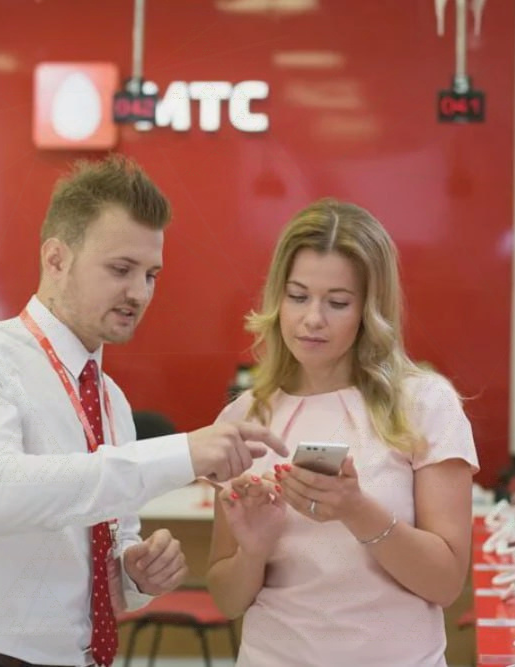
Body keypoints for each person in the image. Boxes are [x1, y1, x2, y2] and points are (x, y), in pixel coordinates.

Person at [0, 155, 287, 667]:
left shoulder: (109, 399)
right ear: (56, 259)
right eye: (121, 269)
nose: (139, 293)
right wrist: (181, 454)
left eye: (151, 274)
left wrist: (134, 573)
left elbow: (101, 542)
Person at [206, 199, 479, 667]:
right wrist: (253, 551)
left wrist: (356, 510)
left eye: (337, 303)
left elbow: (446, 583)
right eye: (297, 296)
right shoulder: (243, 418)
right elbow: (227, 600)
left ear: (370, 310)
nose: (313, 318)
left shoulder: (425, 404)